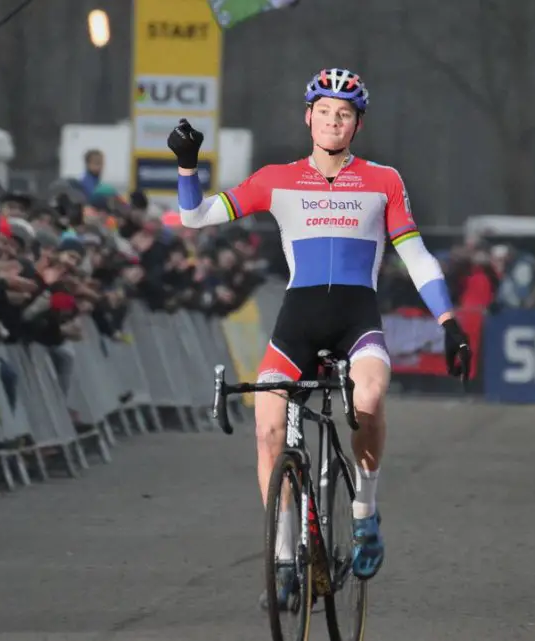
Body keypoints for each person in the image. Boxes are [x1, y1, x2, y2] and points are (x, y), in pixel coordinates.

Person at [167, 67, 471, 607]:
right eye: (325, 111)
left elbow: (417, 256)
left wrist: (449, 323)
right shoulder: (275, 178)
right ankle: (284, 556)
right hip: (297, 322)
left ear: (357, 125)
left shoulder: (384, 180)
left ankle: (365, 513)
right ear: (309, 117)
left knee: (371, 397)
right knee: (265, 430)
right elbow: (193, 217)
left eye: (345, 114)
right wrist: (188, 167)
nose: (334, 121)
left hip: (357, 319)